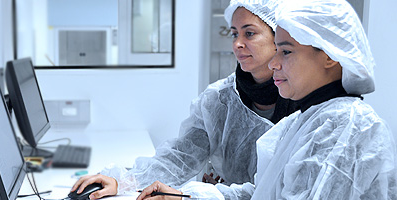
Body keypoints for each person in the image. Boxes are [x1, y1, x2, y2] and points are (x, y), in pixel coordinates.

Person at [137, 0, 397, 199]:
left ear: (330, 55)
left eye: (285, 51)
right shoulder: (305, 121)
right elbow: (264, 191)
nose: (274, 62)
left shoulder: (346, 128)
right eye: (234, 34)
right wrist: (189, 196)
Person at [71, 0, 298, 199]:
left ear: (279, 37)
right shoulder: (220, 100)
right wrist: (124, 181)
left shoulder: (305, 103)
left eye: (249, 33)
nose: (237, 44)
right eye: (234, 34)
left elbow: (280, 190)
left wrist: (198, 196)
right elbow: (181, 156)